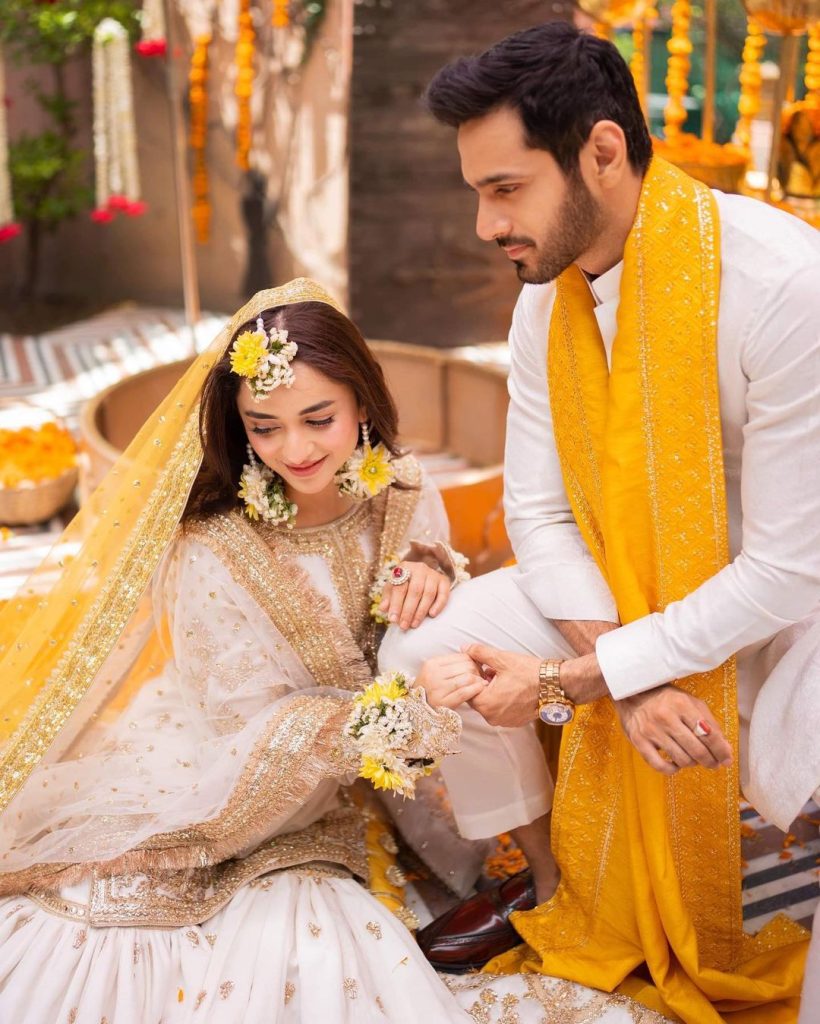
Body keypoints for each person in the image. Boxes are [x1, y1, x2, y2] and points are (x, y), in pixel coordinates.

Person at [0, 279, 669, 1024]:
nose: (296, 450)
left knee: (469, 642)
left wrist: (435, 570)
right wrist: (397, 719)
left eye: (319, 418)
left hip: (404, 767)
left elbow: (434, 588)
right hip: (254, 775)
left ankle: (550, 881)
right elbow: (241, 727)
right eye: (264, 427)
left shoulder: (402, 489)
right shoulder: (210, 548)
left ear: (361, 402)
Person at [380, 22, 820, 1024]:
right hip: (631, 600)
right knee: (426, 638)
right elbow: (534, 509)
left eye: (505, 188)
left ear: (603, 152)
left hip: (786, 624)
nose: (487, 224)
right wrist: (627, 668)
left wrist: (600, 674)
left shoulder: (784, 286)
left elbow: (791, 566)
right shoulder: (548, 297)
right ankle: (545, 882)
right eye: (476, 194)